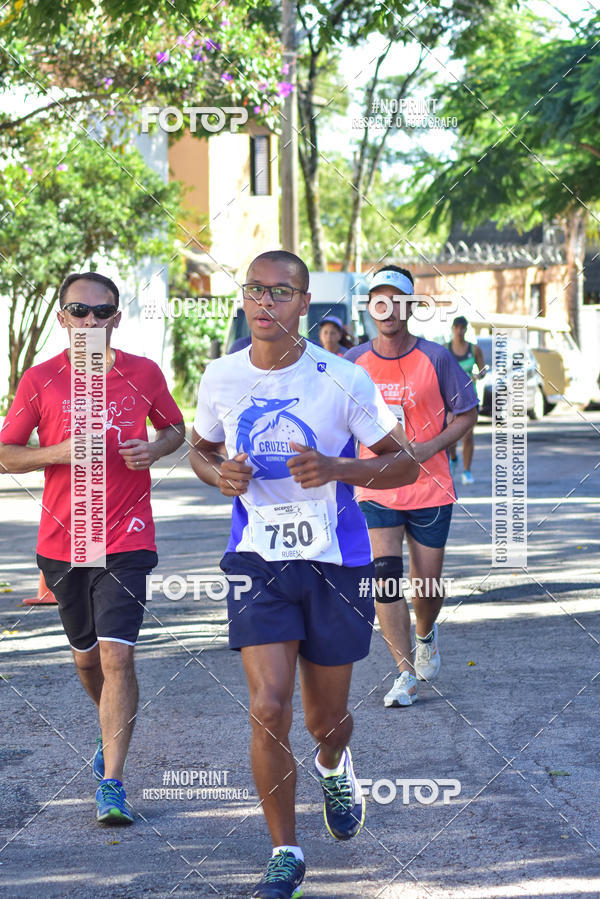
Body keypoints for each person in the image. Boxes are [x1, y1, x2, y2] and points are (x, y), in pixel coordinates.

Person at [189, 250, 418, 899]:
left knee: (327, 718)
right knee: (268, 705)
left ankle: (332, 761)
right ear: (244, 297)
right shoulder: (222, 375)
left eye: (281, 292)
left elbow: (402, 465)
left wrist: (336, 468)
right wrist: (219, 475)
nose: (266, 303)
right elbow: (200, 451)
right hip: (256, 558)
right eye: (255, 289)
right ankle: (285, 851)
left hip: (336, 562)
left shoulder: (340, 378)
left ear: (304, 301)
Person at [0, 272, 185, 825]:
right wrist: (55, 451)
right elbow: (6, 453)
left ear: (117, 318)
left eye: (102, 312)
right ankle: (111, 726)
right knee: (88, 660)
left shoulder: (143, 372)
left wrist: (153, 449)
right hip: (63, 541)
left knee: (116, 654)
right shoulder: (41, 380)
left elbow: (176, 428)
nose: (91, 322)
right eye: (79, 311)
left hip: (128, 536)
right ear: (63, 318)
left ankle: (113, 781)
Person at [345, 266, 478, 709]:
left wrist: (429, 447)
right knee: (384, 579)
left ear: (409, 307)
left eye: (396, 300)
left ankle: (426, 634)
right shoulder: (353, 363)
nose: (387, 309)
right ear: (370, 308)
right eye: (378, 299)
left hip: (430, 487)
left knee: (427, 585)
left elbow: (466, 413)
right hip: (376, 486)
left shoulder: (437, 358)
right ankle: (404, 672)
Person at [447, 315, 486, 484]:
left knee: (468, 436)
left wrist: (478, 374)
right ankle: (453, 458)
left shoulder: (474, 349)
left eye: (463, 328)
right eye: (457, 328)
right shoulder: (445, 349)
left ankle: (467, 471)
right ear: (453, 329)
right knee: (450, 436)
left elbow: (483, 369)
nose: (460, 331)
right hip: (450, 398)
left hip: (469, 398)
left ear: (466, 329)